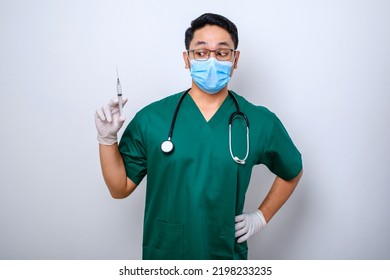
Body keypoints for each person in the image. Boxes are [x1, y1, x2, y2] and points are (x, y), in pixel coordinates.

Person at [95, 13, 303, 260]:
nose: (212, 60)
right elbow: (120, 188)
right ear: (187, 59)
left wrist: (260, 217)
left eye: (222, 53)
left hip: (224, 256)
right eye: (201, 53)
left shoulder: (258, 121)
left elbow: (292, 170)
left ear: (235, 60)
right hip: (166, 256)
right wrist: (107, 141)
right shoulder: (153, 118)